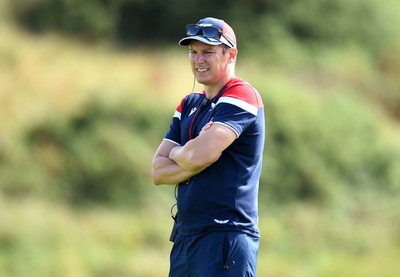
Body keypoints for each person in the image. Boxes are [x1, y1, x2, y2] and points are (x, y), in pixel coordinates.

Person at [151, 17, 265, 276]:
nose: (198, 59)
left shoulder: (241, 95)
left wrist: (180, 153)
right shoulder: (189, 103)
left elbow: (200, 155)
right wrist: (190, 154)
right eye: (193, 52)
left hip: (225, 236)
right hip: (186, 237)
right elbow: (158, 171)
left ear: (230, 55)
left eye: (208, 52)